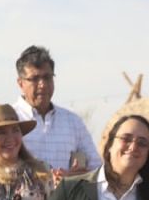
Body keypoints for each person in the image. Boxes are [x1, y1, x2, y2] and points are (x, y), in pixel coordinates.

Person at [11, 45, 101, 184]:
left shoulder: (72, 122)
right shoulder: (10, 119)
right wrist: (46, 180)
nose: (42, 84)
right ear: (20, 83)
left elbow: (96, 168)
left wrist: (72, 177)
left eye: (47, 77)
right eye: (34, 79)